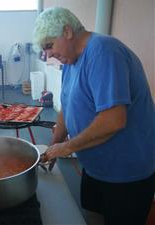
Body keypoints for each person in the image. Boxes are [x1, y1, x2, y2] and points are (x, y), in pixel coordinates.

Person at [33, 7, 155, 225]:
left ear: (68, 32)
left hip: (125, 174)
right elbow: (66, 109)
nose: (49, 54)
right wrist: (52, 148)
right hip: (95, 167)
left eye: (49, 46)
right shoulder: (70, 61)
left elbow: (114, 120)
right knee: (93, 218)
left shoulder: (103, 51)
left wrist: (66, 148)